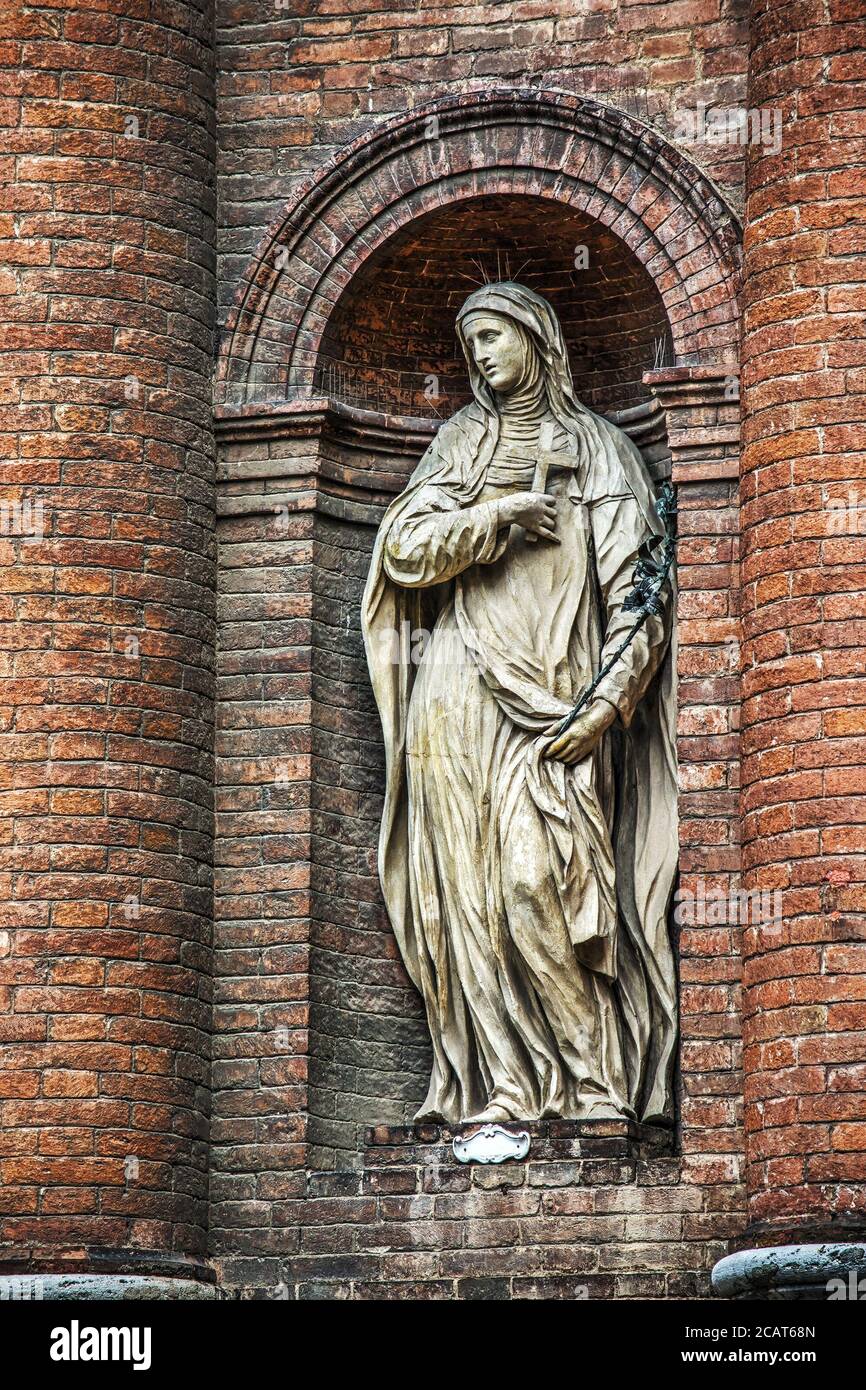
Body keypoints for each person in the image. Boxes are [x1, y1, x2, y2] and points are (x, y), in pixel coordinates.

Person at [362, 282, 677, 1125]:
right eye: (471, 345)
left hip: (559, 698)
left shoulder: (601, 450)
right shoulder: (462, 441)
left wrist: (608, 705)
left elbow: (640, 597)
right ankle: (501, 1087)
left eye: (495, 335)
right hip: (457, 683)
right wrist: (497, 514)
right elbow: (403, 550)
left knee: (537, 879)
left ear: (537, 338)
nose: (482, 356)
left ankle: (593, 1080)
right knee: (465, 887)